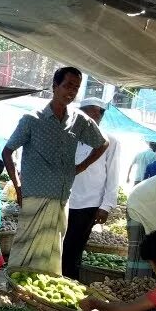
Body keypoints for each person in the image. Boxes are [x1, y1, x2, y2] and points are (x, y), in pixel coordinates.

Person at [2, 66, 108, 275]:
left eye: (76, 88)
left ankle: (39, 299)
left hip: (60, 198)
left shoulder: (79, 120)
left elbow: (102, 143)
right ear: (54, 86)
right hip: (34, 195)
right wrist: (18, 186)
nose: (71, 91)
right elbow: (7, 152)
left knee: (51, 253)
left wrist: (81, 166)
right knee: (24, 249)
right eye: (67, 85)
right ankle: (14, 289)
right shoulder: (31, 119)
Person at [61, 98, 121, 280]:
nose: (95, 115)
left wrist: (106, 205)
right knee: (58, 244)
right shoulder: (69, 135)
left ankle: (69, 282)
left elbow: (113, 175)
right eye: (90, 111)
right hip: (64, 199)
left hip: (89, 203)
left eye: (99, 112)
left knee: (74, 248)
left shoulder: (110, 141)